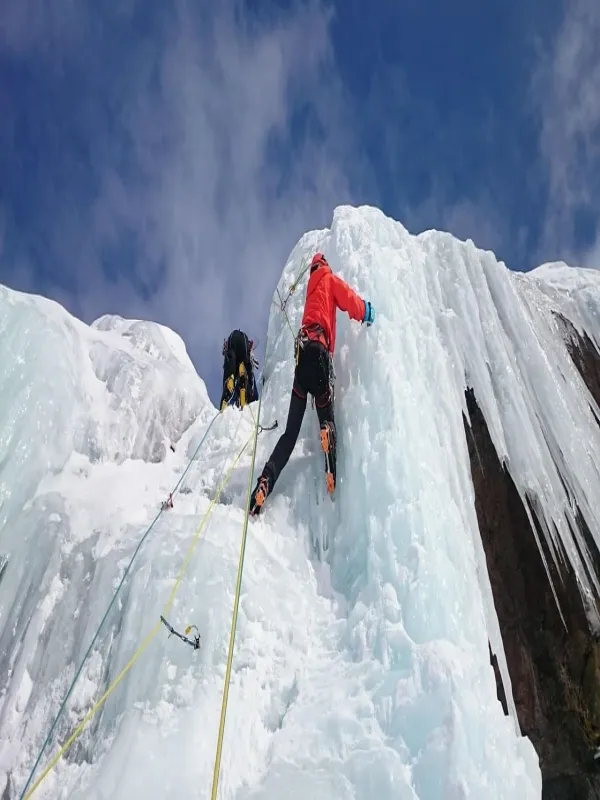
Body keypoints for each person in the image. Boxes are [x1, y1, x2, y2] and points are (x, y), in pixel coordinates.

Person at [249, 252, 375, 516]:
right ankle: (330, 458)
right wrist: (367, 312)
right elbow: (350, 300)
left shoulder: (309, 291)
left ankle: (265, 481)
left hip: (301, 360)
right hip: (319, 354)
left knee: (289, 434)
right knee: (325, 413)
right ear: (325, 266)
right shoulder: (329, 280)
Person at [220, 330, 259, 410]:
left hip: (232, 348)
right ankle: (245, 382)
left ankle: (228, 388)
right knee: (252, 393)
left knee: (230, 375)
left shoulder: (229, 344)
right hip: (244, 349)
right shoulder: (246, 342)